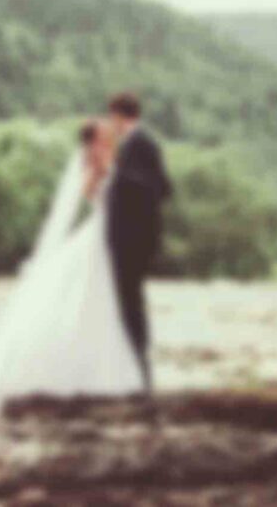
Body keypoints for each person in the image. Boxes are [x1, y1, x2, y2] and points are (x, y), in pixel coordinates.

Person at [0, 117, 147, 413]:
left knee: (101, 302)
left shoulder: (111, 160)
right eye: (103, 134)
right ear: (92, 140)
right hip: (99, 236)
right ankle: (87, 373)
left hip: (107, 236)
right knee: (90, 298)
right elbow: (95, 195)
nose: (108, 135)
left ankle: (100, 369)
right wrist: (103, 173)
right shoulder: (94, 165)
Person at [105, 92, 172, 391]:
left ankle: (140, 367)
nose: (111, 122)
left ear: (120, 115)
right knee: (126, 300)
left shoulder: (144, 142)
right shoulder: (131, 144)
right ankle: (133, 366)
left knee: (131, 301)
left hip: (135, 238)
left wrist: (119, 177)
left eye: (112, 116)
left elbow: (162, 187)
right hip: (124, 238)